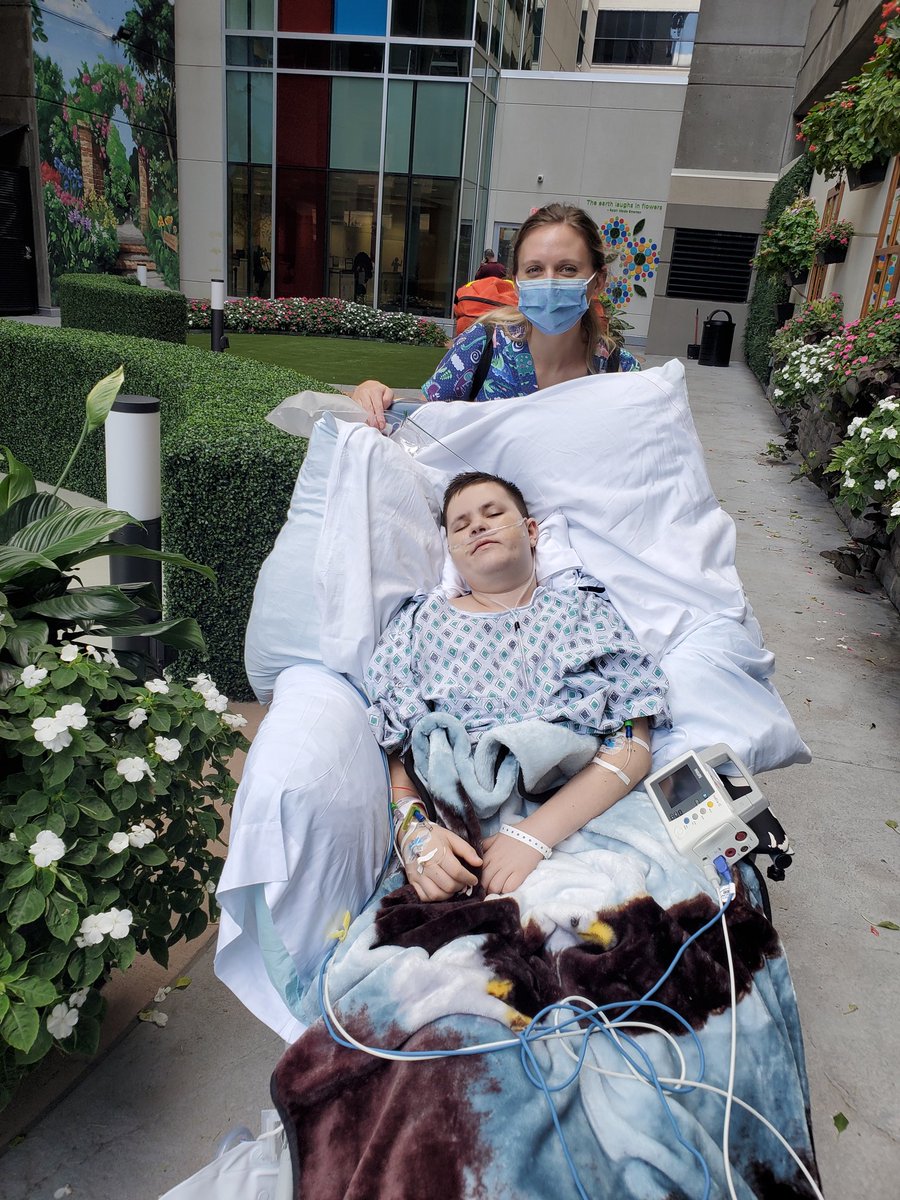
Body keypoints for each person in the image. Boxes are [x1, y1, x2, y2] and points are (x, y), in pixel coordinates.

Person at [366, 472, 670, 901]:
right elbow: (398, 747)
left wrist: (534, 835)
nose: (477, 526)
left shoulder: (582, 609)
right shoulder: (420, 623)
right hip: (463, 834)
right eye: (461, 525)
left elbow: (633, 743)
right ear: (451, 548)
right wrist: (414, 835)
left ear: (531, 532)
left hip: (588, 812)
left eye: (493, 514)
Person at [353, 204, 640, 431]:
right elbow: (424, 424)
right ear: (516, 281)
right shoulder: (482, 346)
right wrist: (374, 395)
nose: (549, 282)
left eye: (567, 269)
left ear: (597, 280)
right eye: (535, 269)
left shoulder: (621, 373)